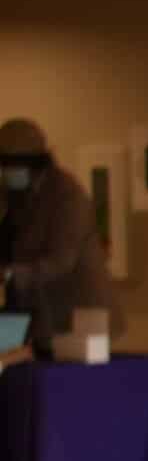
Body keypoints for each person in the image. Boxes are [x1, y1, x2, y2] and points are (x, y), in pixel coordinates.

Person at [0, 119, 114, 357]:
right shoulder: (17, 195)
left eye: (8, 166)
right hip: (36, 314)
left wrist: (9, 274)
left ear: (33, 164)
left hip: (79, 321)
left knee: (66, 387)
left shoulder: (67, 196)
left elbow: (61, 262)